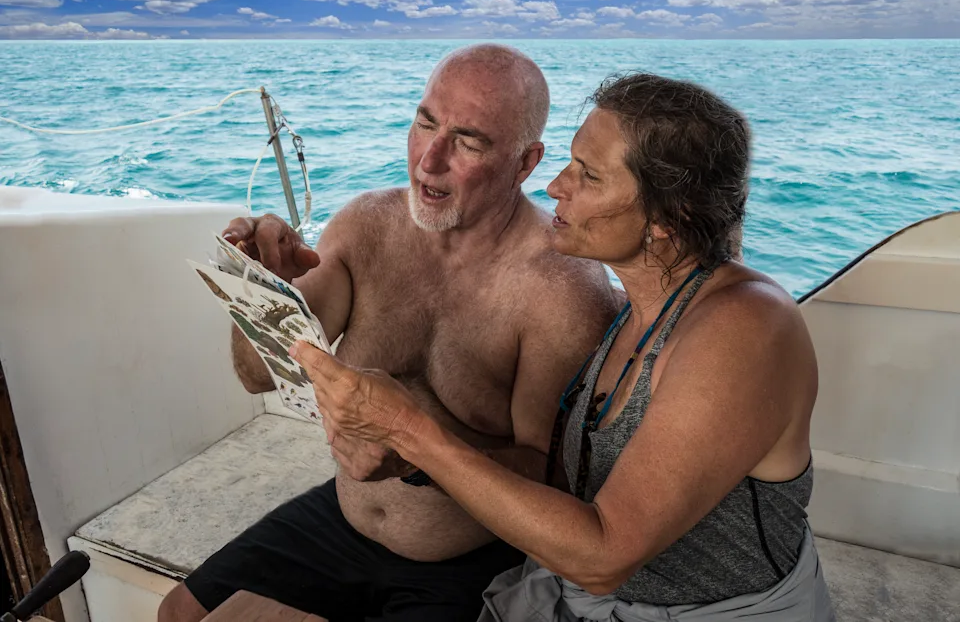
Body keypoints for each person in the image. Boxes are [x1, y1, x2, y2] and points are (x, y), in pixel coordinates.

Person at [290, 72, 837, 621]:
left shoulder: (745, 328)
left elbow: (604, 555)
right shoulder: (644, 309)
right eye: (570, 162)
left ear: (671, 218)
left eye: (588, 175)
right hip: (577, 598)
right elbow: (562, 479)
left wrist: (408, 430)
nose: (555, 186)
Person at [158, 44, 621, 622]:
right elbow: (258, 377)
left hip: (471, 558)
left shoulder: (562, 289)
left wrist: (412, 453)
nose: (429, 159)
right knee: (177, 612)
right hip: (344, 520)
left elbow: (554, 479)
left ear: (525, 164)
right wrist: (261, 289)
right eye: (425, 121)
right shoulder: (364, 227)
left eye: (469, 140)